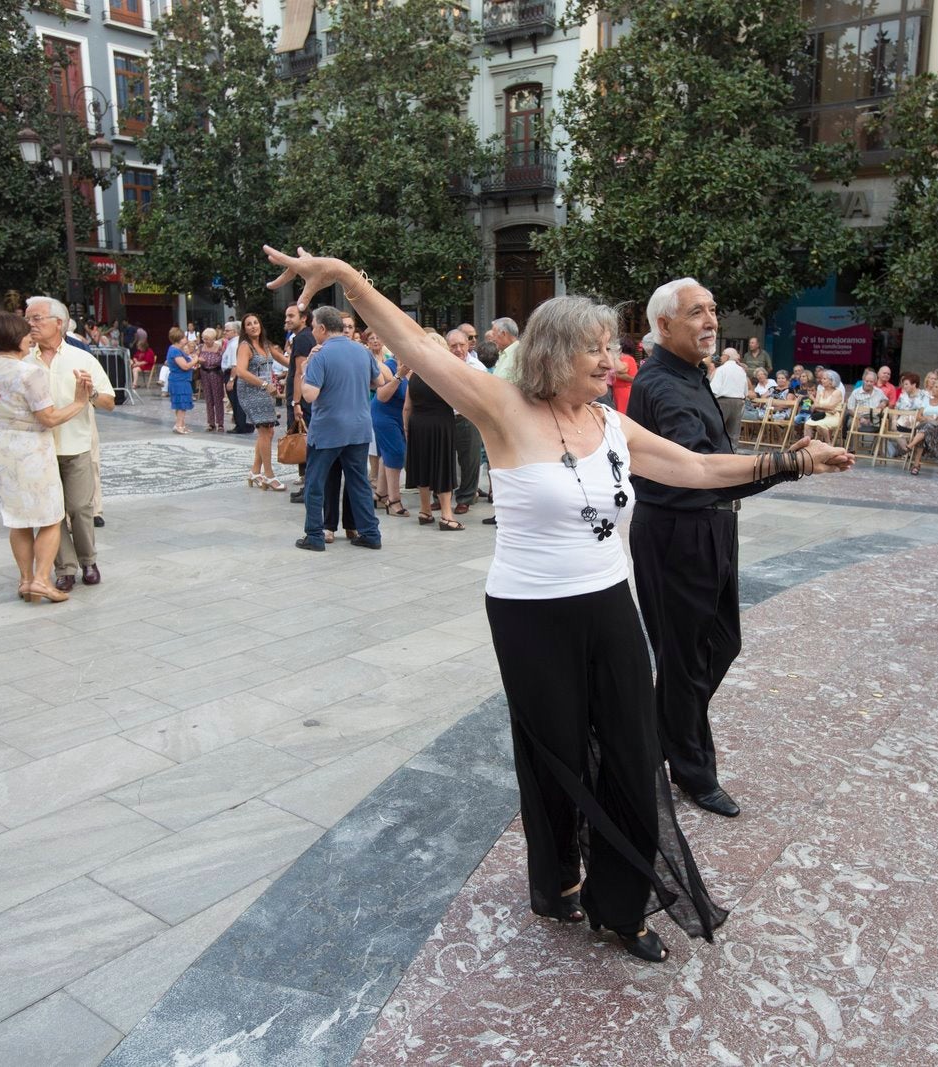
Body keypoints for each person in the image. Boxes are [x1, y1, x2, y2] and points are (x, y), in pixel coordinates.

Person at [265, 246, 849, 964]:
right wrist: (351, 279)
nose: (611, 361)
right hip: (529, 611)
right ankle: (556, 880)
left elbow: (697, 468)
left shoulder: (611, 424)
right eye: (595, 350)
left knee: (634, 753)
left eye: (611, 348)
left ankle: (624, 903)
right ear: (554, 352)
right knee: (556, 756)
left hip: (610, 603)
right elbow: (415, 345)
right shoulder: (503, 409)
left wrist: (789, 460)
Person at [627, 275, 840, 825]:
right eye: (696, 312)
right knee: (686, 658)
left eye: (712, 310)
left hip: (711, 528)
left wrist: (781, 460)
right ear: (664, 325)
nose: (710, 321)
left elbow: (717, 466)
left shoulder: (693, 376)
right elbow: (698, 471)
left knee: (718, 646)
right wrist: (790, 466)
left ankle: (658, 735)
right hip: (678, 533)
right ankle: (691, 769)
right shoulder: (663, 385)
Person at [0, 296, 114, 592]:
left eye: (37, 319)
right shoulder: (21, 358)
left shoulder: (82, 357)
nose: (30, 324)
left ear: (59, 323)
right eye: (28, 319)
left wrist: (87, 395)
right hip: (38, 451)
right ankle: (63, 569)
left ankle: (88, 559)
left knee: (79, 508)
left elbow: (109, 402)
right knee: (52, 514)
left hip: (73, 445)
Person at [296, 306, 388, 551]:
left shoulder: (320, 355)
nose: (313, 332)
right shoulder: (361, 350)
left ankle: (315, 535)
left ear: (323, 328)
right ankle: (370, 533)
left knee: (315, 483)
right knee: (358, 482)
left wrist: (305, 371)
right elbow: (379, 382)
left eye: (314, 327)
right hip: (358, 427)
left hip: (328, 429)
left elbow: (310, 394)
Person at [403, 335, 462, 530]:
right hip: (441, 424)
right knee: (442, 467)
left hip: (417, 423)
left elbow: (407, 407)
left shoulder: (414, 374)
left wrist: (406, 428)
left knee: (423, 466)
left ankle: (425, 510)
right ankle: (446, 515)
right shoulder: (446, 373)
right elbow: (456, 401)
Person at [234, 313, 285, 491]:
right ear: (244, 329)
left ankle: (255, 471)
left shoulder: (265, 344)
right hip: (251, 390)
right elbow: (240, 371)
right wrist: (264, 384)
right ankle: (269, 475)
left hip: (264, 391)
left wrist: (307, 359)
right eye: (249, 324)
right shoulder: (245, 346)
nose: (253, 326)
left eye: (256, 322)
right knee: (265, 431)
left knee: (267, 431)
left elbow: (285, 360)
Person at [369, 330, 408, 516]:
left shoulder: (418, 367)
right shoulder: (390, 366)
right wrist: (400, 375)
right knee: (396, 453)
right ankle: (394, 501)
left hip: (400, 415)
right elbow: (382, 396)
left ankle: (380, 494)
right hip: (384, 414)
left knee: (388, 454)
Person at [447, 328, 484, 515]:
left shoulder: (477, 367)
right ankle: (442, 496)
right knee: (443, 460)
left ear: (468, 345)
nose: (458, 349)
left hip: (467, 418)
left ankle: (466, 498)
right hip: (444, 418)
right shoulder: (441, 364)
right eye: (453, 346)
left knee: (469, 460)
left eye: (462, 345)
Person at [284, 304, 317, 499]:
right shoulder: (301, 337)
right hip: (302, 398)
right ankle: (307, 486)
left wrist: (296, 402)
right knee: (304, 442)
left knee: (304, 442)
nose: (287, 319)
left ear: (303, 318)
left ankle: (309, 488)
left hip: (302, 401)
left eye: (291, 316)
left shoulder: (304, 337)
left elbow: (300, 372)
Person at [905, 380, 938, 476]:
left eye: (936, 387)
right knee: (926, 428)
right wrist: (926, 418)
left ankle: (912, 453)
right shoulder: (926, 401)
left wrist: (936, 417)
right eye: (933, 386)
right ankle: (914, 460)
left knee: (925, 430)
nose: (933, 388)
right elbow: (918, 416)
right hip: (926, 427)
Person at [798, 369, 844, 444]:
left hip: (833, 416)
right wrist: (824, 408)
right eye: (822, 378)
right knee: (807, 424)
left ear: (832, 381)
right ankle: (808, 444)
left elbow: (830, 407)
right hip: (821, 415)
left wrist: (821, 407)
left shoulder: (837, 392)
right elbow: (814, 406)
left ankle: (828, 444)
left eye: (824, 379)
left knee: (820, 425)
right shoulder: (820, 391)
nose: (821, 380)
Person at [221, 321, 251, 434]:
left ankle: (241, 425)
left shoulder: (235, 344)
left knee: (236, 401)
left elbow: (235, 364)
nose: (225, 332)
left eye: (227, 330)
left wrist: (231, 380)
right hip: (233, 373)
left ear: (235, 331)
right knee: (238, 400)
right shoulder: (233, 342)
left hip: (233, 374)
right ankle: (243, 424)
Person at [165, 327, 197, 434]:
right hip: (179, 380)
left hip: (181, 380)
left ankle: (182, 424)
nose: (185, 338)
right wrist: (195, 360)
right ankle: (179, 425)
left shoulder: (177, 350)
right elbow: (185, 366)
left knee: (181, 403)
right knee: (182, 404)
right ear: (179, 339)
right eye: (183, 337)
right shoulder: (175, 351)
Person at [197, 327, 227, 432]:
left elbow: (224, 360)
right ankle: (211, 423)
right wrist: (198, 360)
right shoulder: (200, 347)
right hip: (204, 373)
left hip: (216, 374)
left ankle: (220, 423)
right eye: (204, 338)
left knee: (217, 399)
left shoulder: (219, 348)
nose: (206, 341)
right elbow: (195, 358)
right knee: (208, 399)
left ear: (214, 338)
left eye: (208, 339)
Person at [846, 368, 888, 436]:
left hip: (875, 418)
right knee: (853, 424)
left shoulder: (879, 392)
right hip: (859, 418)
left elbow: (886, 400)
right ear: (863, 380)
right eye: (867, 381)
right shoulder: (856, 392)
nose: (868, 383)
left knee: (884, 424)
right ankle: (856, 445)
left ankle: (875, 446)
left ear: (874, 382)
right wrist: (860, 418)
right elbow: (850, 409)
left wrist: (884, 402)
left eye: (871, 382)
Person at [488, 317, 522, 384]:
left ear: (503, 334)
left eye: (494, 335)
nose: (492, 339)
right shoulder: (503, 353)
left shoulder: (521, 354)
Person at [611, 339, 638, 413]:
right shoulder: (629, 358)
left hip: (623, 390)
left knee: (622, 412)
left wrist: (612, 374)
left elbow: (622, 370)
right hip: (622, 390)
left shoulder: (626, 358)